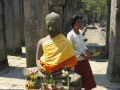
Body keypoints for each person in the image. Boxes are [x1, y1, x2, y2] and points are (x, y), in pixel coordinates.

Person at [29, 12, 82, 89]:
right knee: (30, 77)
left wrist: (66, 71)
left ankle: (51, 86)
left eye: (54, 26)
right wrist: (40, 68)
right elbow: (37, 59)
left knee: (77, 80)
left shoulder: (66, 42)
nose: (50, 29)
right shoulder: (41, 42)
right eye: (48, 26)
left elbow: (71, 62)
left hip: (61, 73)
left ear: (59, 26)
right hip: (45, 71)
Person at [67, 14, 96, 90]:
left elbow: (82, 44)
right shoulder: (70, 35)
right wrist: (82, 54)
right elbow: (70, 49)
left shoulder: (80, 32)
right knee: (77, 83)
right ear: (73, 24)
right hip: (76, 62)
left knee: (88, 82)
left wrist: (87, 50)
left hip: (84, 61)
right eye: (78, 22)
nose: (80, 24)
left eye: (81, 22)